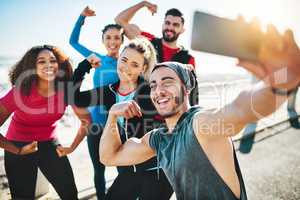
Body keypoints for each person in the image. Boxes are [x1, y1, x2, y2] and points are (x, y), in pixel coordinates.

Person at [99, 27, 300, 200]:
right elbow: (109, 157)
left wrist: (282, 80)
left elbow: (240, 109)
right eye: (153, 85)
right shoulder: (160, 139)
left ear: (186, 89)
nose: (158, 90)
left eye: (167, 82)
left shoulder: (199, 123)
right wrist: (112, 116)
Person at [70, 37, 173, 199]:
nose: (126, 67)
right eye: (124, 60)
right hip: (128, 169)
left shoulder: (151, 91)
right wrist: (84, 66)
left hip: (157, 170)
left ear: (143, 68)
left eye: (135, 64)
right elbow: (75, 98)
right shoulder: (108, 92)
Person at [0, 45, 91, 200]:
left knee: (70, 194)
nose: (48, 65)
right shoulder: (19, 92)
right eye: (41, 61)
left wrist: (72, 147)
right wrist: (17, 150)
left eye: (53, 60)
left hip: (50, 144)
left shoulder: (66, 91)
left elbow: (87, 121)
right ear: (32, 67)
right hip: (19, 145)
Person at [69, 6, 124, 198]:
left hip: (119, 124)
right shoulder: (96, 59)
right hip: (95, 124)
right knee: (98, 169)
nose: (112, 41)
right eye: (108, 37)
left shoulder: (126, 63)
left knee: (123, 169)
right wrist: (81, 17)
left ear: (122, 40)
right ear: (103, 40)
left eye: (117, 37)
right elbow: (73, 41)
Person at [115, 1, 199, 105]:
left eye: (175, 25)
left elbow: (191, 94)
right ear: (163, 24)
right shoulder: (147, 42)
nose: (170, 27)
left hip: (170, 115)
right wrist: (143, 4)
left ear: (182, 29)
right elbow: (119, 21)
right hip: (143, 110)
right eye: (167, 23)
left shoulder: (188, 59)